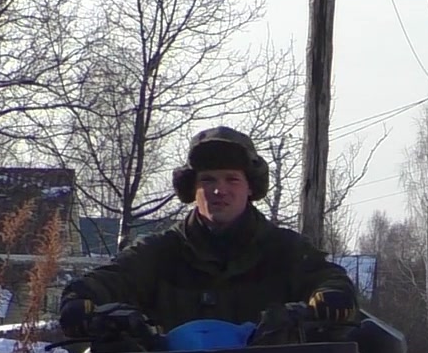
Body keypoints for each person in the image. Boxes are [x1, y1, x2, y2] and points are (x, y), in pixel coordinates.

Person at [57, 127, 360, 337]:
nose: (219, 190)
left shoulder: (284, 250)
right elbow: (112, 278)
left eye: (232, 180)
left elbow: (328, 277)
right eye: (208, 180)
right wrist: (79, 300)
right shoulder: (160, 252)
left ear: (250, 188)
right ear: (192, 188)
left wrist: (330, 295)